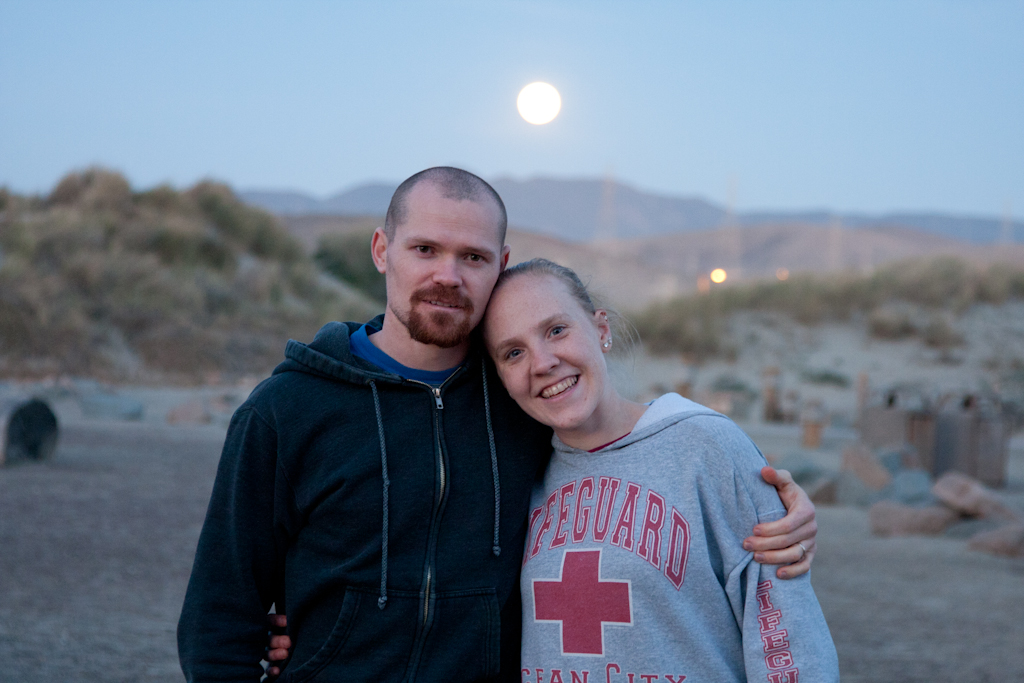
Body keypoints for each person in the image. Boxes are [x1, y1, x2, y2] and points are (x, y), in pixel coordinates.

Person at [179, 167, 818, 682]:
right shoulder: (286, 411)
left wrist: (776, 507)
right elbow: (219, 618)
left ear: (500, 263)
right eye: (425, 249)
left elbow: (626, 451)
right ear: (381, 250)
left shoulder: (521, 400)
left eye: (474, 256)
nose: (448, 275)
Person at [482, 259, 838, 682]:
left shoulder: (707, 447)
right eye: (513, 352)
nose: (542, 362)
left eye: (556, 330)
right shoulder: (510, 474)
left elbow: (788, 642)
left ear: (601, 329)